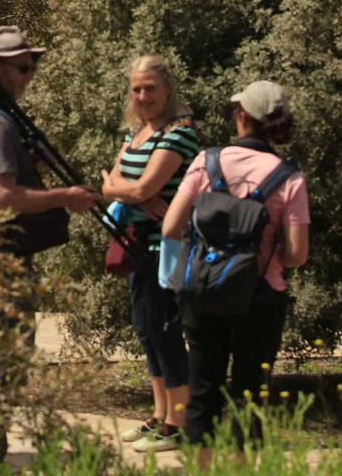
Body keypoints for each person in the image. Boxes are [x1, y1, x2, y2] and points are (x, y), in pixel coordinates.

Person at [0, 24, 99, 461]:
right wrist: (67, 198)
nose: (31, 75)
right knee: (4, 359)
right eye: (23, 67)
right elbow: (3, 198)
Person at [160, 80, 310, 453]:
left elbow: (170, 227)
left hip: (204, 293)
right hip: (259, 299)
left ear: (242, 116)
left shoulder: (207, 162)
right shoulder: (289, 177)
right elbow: (296, 254)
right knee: (250, 399)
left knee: (202, 394)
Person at [100, 55, 200, 453]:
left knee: (164, 328)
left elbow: (138, 187)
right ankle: (160, 415)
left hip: (169, 246)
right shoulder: (135, 131)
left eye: (150, 88)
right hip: (137, 242)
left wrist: (129, 190)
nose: (143, 95)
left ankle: (179, 421)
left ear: (168, 88)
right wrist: (125, 190)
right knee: (146, 328)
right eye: (136, 89)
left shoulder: (180, 133)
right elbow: (110, 182)